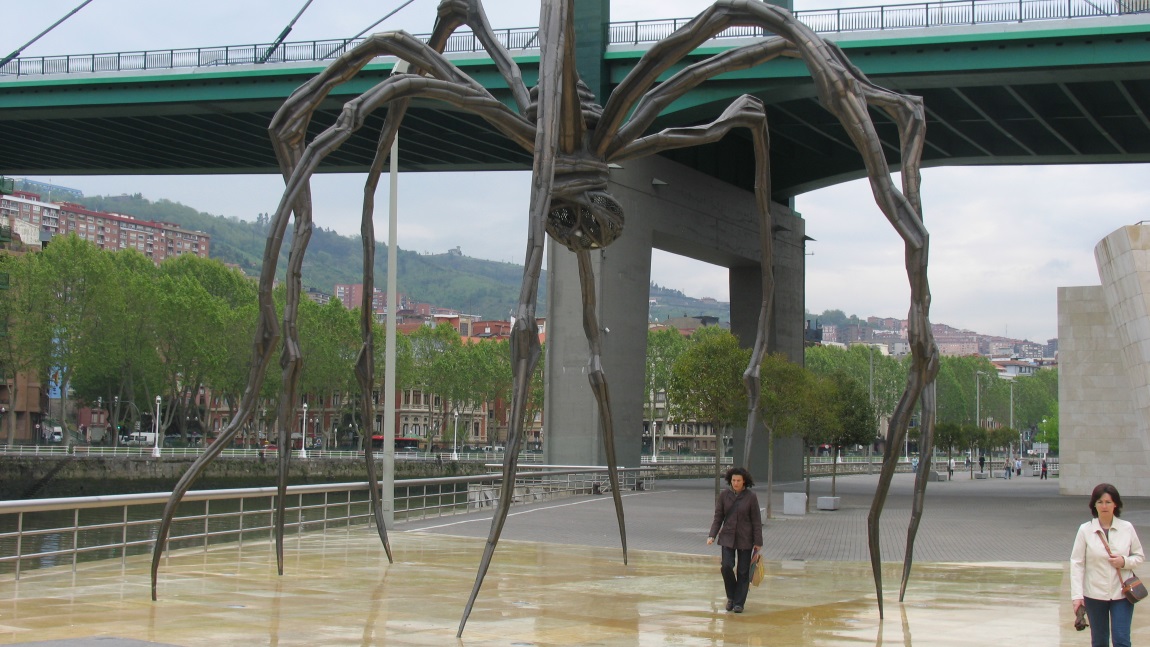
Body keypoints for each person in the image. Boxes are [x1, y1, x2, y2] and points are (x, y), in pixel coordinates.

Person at [1071, 483, 1145, 647]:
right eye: (1100, 502)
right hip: (1094, 594)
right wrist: (1077, 596)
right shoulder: (1085, 530)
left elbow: (1139, 556)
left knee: (1122, 640)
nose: (1104, 506)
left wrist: (1124, 561)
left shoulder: (1127, 528)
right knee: (1099, 641)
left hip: (1122, 594)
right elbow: (1077, 564)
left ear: (1115, 504)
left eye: (1108, 502)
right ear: (1094, 505)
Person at [708, 466, 763, 614]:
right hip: (727, 537)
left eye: (738, 480)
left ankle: (739, 603)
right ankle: (731, 597)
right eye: (733, 480)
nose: (736, 483)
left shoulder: (751, 497)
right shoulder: (724, 496)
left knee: (743, 571)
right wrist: (712, 535)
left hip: (745, 538)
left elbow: (756, 521)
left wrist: (758, 542)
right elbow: (718, 516)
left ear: (744, 481)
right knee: (726, 566)